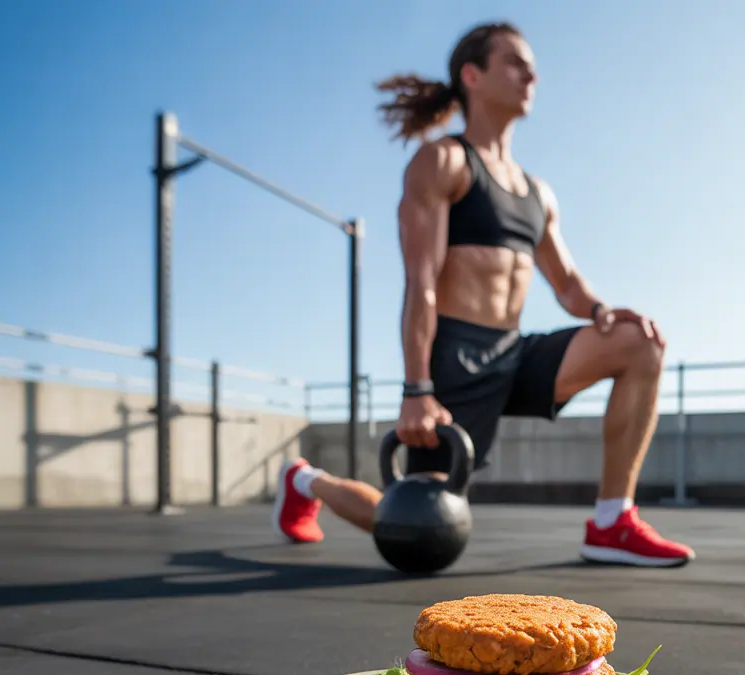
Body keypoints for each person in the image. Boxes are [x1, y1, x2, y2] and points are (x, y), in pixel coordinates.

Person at [273, 21, 694, 567]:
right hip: (454, 362)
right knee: (414, 528)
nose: (532, 74)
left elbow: (565, 283)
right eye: (515, 63)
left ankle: (612, 522)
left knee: (640, 343)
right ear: (472, 75)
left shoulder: (537, 192)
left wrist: (600, 310)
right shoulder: (442, 162)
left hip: (513, 352)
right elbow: (420, 283)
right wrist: (416, 388)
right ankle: (307, 482)